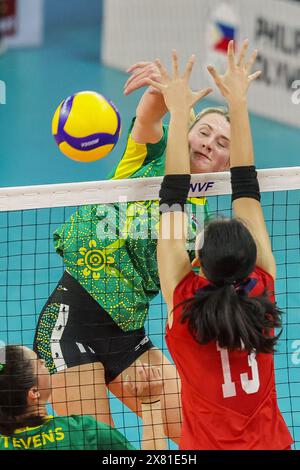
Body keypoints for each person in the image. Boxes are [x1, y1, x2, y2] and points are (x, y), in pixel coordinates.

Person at [33, 64, 214, 443]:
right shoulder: (148, 158)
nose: (208, 143)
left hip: (129, 335)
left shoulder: (203, 229)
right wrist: (168, 93)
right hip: (70, 327)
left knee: (199, 431)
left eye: (221, 143)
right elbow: (150, 113)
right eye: (203, 132)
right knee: (103, 447)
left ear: (226, 164)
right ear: (183, 131)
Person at [150, 42, 294, 449]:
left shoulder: (183, 303)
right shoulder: (261, 289)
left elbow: (174, 193)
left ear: (197, 260)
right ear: (250, 258)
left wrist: (180, 114)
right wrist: (239, 101)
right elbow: (245, 185)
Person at [0, 345, 166, 450]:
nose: (43, 361)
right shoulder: (85, 432)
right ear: (34, 392)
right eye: (38, 363)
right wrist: (150, 401)